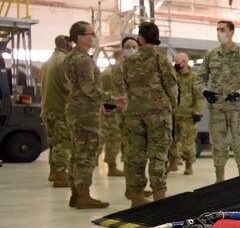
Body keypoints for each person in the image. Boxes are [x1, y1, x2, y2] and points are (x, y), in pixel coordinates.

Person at [119, 22, 177, 206]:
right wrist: (171, 106)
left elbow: (124, 85)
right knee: (158, 154)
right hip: (158, 114)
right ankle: (159, 195)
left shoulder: (128, 61)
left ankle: (136, 197)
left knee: (135, 154)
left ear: (141, 38)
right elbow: (171, 86)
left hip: (134, 113)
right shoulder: (161, 60)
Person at [198, 20, 240, 182]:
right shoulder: (211, 55)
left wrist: (239, 93)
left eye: (222, 29)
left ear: (232, 32)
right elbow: (200, 78)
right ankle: (220, 178)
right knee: (218, 145)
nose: (219, 33)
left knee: (239, 144)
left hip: (238, 108)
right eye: (217, 29)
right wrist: (205, 91)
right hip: (217, 108)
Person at [63, 21, 110, 208]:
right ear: (80, 37)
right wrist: (111, 99)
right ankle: (83, 196)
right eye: (90, 34)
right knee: (87, 153)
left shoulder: (73, 56)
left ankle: (75, 194)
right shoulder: (82, 60)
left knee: (77, 152)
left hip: (77, 109)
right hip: (85, 113)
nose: (93, 37)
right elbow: (89, 88)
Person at [99, 36, 137, 178]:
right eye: (128, 47)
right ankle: (112, 165)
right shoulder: (110, 72)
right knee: (113, 140)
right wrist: (105, 104)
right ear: (122, 51)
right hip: (115, 112)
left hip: (131, 113)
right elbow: (103, 92)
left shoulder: (138, 69)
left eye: (134, 47)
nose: (131, 50)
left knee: (129, 144)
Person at [39, 35, 73, 188]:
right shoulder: (64, 61)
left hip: (48, 108)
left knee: (53, 142)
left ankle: (53, 172)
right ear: (67, 43)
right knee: (63, 143)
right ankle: (60, 175)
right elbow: (69, 87)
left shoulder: (47, 63)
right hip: (60, 109)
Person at [169, 52, 205, 175]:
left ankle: (189, 165)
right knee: (172, 141)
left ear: (184, 62)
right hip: (174, 115)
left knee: (188, 142)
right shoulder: (173, 76)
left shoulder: (194, 78)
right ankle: (172, 163)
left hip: (188, 115)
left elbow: (199, 97)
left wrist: (197, 112)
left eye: (177, 61)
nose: (175, 64)